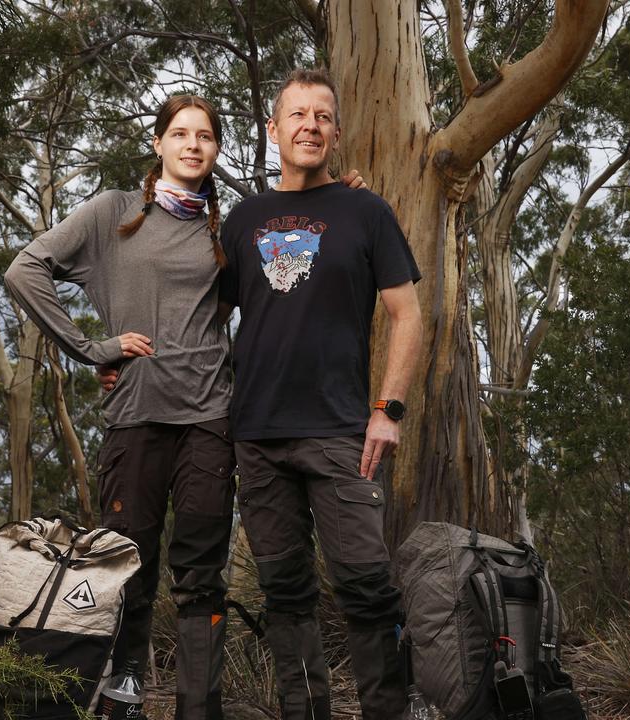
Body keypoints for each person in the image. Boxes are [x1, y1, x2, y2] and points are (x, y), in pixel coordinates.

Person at [4, 95, 236, 720]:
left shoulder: (226, 228)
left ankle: (199, 708)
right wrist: (89, 348)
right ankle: (122, 700)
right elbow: (25, 270)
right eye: (180, 134)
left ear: (216, 150)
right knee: (127, 568)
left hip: (210, 420)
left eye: (206, 136)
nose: (193, 145)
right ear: (157, 143)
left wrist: (338, 193)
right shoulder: (113, 212)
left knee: (201, 574)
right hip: (135, 417)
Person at [216, 68, 424, 720]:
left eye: (323, 117)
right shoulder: (243, 220)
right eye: (297, 115)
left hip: (340, 434)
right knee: (284, 593)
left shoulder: (366, 212)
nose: (310, 125)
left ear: (336, 133)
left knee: (367, 588)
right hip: (256, 434)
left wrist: (388, 410)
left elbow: (409, 315)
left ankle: (391, 710)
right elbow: (205, 315)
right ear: (273, 130)